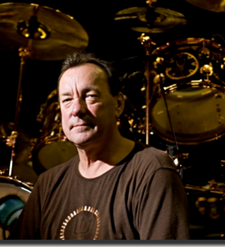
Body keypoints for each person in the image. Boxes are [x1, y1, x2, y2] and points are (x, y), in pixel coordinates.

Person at [10, 52, 190, 240]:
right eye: (67, 100)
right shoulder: (47, 183)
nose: (77, 109)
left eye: (90, 96)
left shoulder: (152, 170)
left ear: (118, 104)